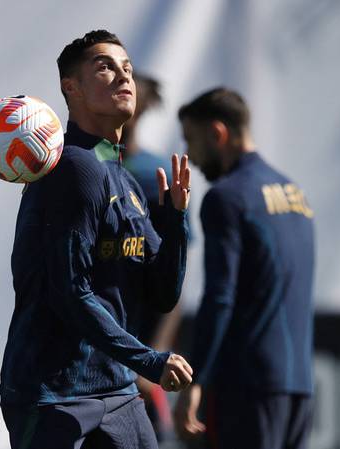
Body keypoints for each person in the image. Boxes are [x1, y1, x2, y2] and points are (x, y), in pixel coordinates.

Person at [0, 30, 194, 449]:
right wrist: (148, 360)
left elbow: (162, 294)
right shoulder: (73, 169)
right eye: (104, 66)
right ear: (72, 88)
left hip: (118, 392)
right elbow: (71, 291)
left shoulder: (125, 179)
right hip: (56, 396)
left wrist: (176, 220)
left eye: (127, 67)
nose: (123, 76)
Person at [173, 87, 315, 449]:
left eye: (192, 140)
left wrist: (197, 379)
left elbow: (220, 296)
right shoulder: (293, 191)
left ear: (217, 133)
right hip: (298, 384)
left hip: (248, 386)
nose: (190, 155)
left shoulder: (227, 198)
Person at [120, 72, 184, 441]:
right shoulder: (81, 167)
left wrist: (153, 358)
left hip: (137, 365)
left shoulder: (151, 176)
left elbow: (174, 278)